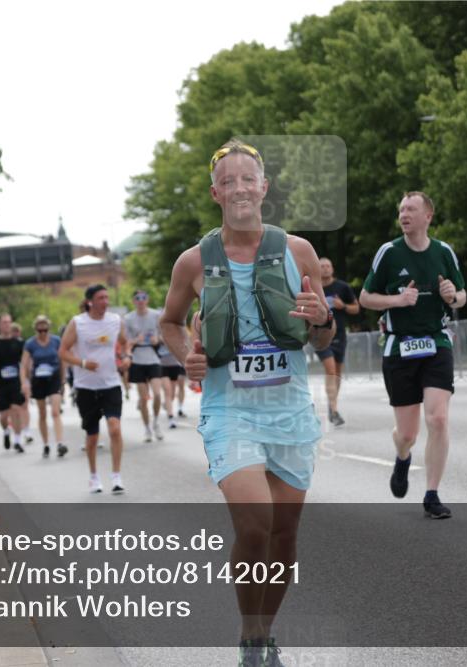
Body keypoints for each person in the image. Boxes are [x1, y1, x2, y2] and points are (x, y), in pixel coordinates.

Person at [159, 139, 334, 666]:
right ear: (216, 193)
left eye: (247, 178)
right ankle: (247, 633)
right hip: (229, 410)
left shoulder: (298, 253)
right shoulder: (193, 261)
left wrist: (322, 318)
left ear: (264, 187)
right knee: (254, 525)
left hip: (289, 411)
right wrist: (186, 352)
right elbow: (168, 323)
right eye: (228, 181)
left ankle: (262, 636)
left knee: (283, 535)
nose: (238, 187)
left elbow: (323, 340)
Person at [359, 191, 466, 520]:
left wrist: (453, 296)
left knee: (438, 418)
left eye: (411, 209)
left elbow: (461, 295)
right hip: (399, 346)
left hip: (436, 342)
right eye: (401, 209)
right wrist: (397, 301)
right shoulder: (389, 253)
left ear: (427, 217)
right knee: (407, 433)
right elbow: (365, 297)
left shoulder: (443, 252)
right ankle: (403, 456)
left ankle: (432, 493)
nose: (404, 214)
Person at [60, 284, 128, 491]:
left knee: (115, 429)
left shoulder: (115, 321)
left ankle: (116, 476)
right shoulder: (78, 323)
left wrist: (126, 357)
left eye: (107, 298)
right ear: (90, 301)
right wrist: (82, 363)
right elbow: (62, 351)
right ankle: (94, 476)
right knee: (92, 437)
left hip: (111, 384)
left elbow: (125, 343)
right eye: (101, 298)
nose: (105, 302)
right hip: (86, 387)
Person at [316, 257, 359, 426]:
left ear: (332, 269)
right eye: (322, 266)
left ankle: (332, 404)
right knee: (331, 369)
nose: (325, 269)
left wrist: (344, 306)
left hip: (339, 335)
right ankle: (334, 410)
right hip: (320, 336)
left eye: (328, 266)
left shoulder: (342, 287)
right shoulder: (314, 287)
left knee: (337, 373)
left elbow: (356, 308)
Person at [22, 314, 66, 458]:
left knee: (55, 411)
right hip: (38, 380)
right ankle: (46, 444)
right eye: (39, 330)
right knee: (42, 413)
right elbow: (24, 365)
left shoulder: (56, 341)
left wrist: (63, 379)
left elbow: (62, 361)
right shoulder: (30, 344)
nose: (42, 333)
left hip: (54, 378)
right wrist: (24, 382)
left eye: (45, 330)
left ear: (49, 328)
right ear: (35, 329)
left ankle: (60, 443)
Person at [125, 289, 164, 442]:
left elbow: (164, 334)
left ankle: (155, 422)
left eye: (144, 297)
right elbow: (126, 342)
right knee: (143, 399)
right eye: (137, 298)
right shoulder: (128, 318)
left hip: (153, 357)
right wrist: (136, 340)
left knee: (157, 394)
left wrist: (157, 339)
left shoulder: (156, 315)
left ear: (147, 299)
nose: (141, 300)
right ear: (134, 301)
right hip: (137, 359)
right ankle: (147, 428)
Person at [0, 313, 28, 452]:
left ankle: (17, 440)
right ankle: (6, 431)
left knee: (16, 410)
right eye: (4, 322)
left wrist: (25, 382)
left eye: (9, 322)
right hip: (1, 383)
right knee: (4, 416)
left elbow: (24, 363)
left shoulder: (18, 343)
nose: (7, 325)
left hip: (16, 382)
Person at [156, 340, 184, 429]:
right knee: (167, 391)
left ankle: (166, 404)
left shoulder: (174, 329)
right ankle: (171, 418)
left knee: (171, 394)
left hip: (174, 364)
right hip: (162, 365)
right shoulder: (157, 329)